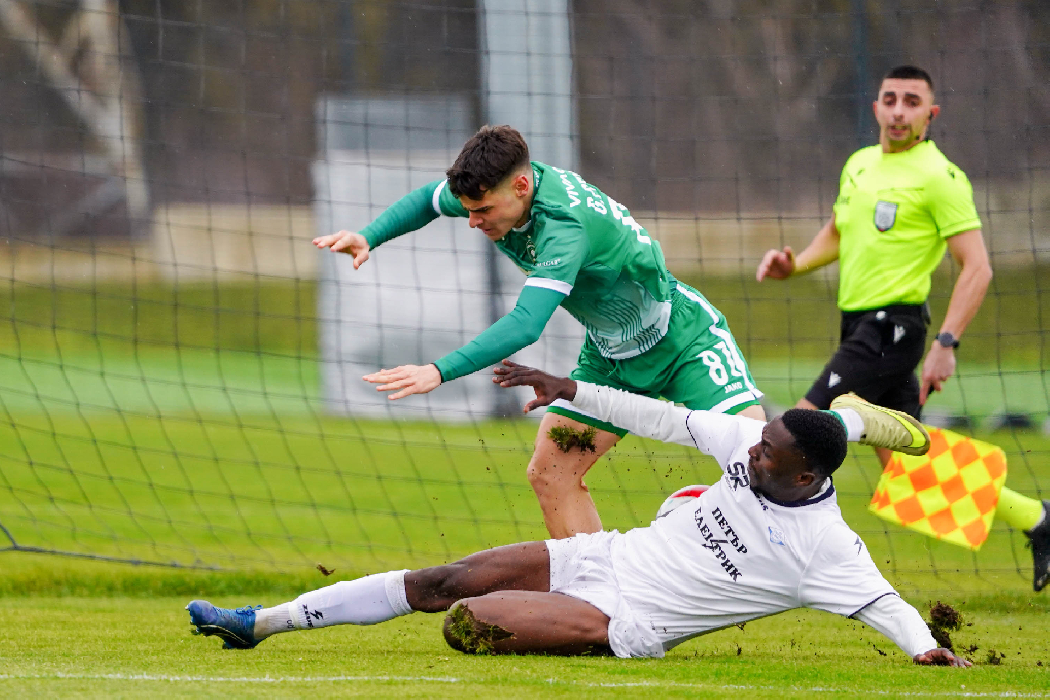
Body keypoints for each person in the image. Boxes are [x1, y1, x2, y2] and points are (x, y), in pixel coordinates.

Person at [314, 125, 923, 539]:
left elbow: (526, 324)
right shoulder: (499, 189)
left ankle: (853, 422)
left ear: (520, 187)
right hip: (610, 358)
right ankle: (598, 597)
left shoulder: (563, 227)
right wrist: (370, 235)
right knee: (550, 473)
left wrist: (437, 370)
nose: (473, 222)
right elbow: (430, 200)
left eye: (483, 212)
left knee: (766, 467)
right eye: (469, 211)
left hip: (684, 342)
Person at [187, 363, 967, 666]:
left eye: (769, 456)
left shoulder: (825, 546)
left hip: (627, 618)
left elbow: (885, 604)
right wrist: (571, 390)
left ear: (806, 477)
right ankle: (261, 622)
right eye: (757, 442)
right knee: (442, 580)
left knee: (466, 623)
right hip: (606, 557)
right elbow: (661, 417)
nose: (751, 452)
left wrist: (928, 650)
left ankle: (865, 421)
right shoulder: (748, 442)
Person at [755, 65, 1048, 591]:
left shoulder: (940, 177)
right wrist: (794, 265)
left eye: (912, 102)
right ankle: (1039, 519)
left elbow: (978, 267)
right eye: (890, 99)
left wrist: (946, 343)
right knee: (910, 469)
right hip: (858, 326)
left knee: (799, 428)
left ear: (930, 114)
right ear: (876, 108)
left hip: (894, 327)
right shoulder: (859, 165)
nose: (898, 110)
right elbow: (838, 231)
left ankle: (755, 552)